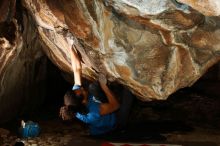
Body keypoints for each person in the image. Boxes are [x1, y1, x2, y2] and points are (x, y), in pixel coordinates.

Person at [59, 36, 120, 135]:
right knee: (128, 96)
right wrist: (104, 86)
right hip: (112, 125)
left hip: (98, 113)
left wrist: (70, 46)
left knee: (93, 87)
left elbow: (77, 69)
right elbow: (116, 106)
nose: (81, 88)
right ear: (82, 100)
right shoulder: (93, 112)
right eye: (81, 91)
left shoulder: (74, 103)